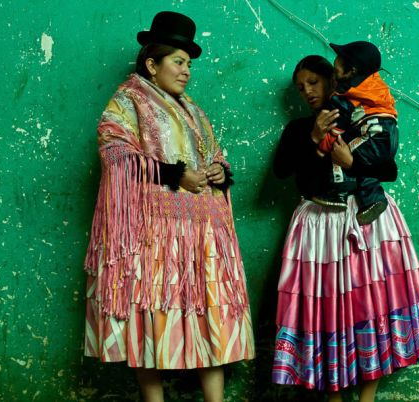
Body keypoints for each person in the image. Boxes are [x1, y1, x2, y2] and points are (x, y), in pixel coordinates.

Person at [83, 11, 254, 402]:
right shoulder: (129, 100)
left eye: (189, 64)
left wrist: (217, 172)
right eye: (178, 61)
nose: (187, 71)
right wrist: (176, 176)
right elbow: (115, 153)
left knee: (212, 314)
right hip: (154, 233)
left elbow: (216, 154)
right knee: (151, 315)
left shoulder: (191, 109)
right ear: (151, 63)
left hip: (202, 233)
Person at [272, 54, 419, 402]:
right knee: (330, 312)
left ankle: (367, 397)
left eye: (313, 82)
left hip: (367, 220)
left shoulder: (361, 119)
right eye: (301, 88)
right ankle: (334, 396)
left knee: (370, 304)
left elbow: (387, 168)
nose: (307, 92)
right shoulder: (298, 130)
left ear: (333, 81)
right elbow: (283, 172)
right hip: (321, 228)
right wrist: (314, 140)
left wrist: (353, 160)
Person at [314, 41, 399, 225]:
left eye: (339, 62)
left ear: (351, 71)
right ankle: (369, 197)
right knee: (355, 153)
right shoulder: (372, 84)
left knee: (338, 146)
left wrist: (322, 148)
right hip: (387, 131)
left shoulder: (347, 96)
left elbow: (390, 171)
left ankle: (342, 192)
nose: (335, 63)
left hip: (374, 131)